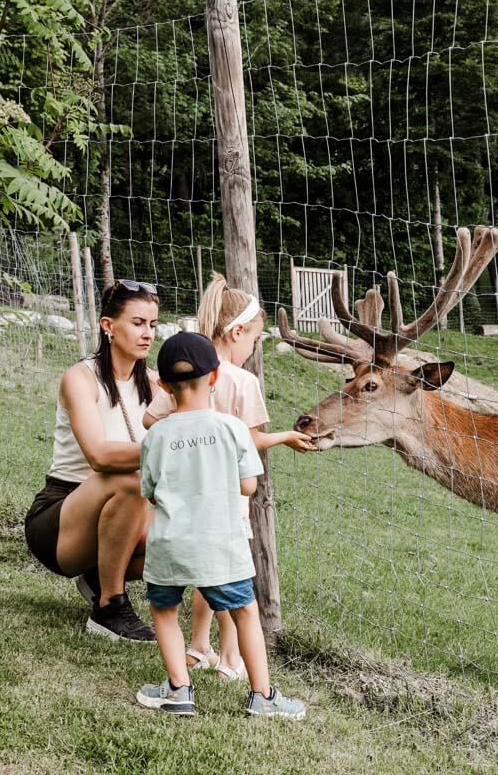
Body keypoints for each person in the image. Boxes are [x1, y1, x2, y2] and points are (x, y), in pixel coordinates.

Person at [143, 275, 313, 679]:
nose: (253, 346)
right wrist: (287, 436)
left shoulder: (171, 403)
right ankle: (232, 660)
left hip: (178, 508)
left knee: (190, 584)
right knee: (230, 585)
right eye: (254, 338)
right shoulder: (242, 382)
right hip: (224, 502)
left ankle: (197, 649)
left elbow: (151, 422)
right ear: (238, 331)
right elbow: (251, 445)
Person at [23, 279, 160, 642]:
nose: (147, 334)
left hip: (121, 511)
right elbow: (99, 456)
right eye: (137, 323)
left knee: (183, 534)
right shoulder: (81, 378)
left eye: (152, 324)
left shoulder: (155, 385)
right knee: (129, 481)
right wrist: (168, 450)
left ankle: (100, 576)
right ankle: (109, 606)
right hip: (61, 516)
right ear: (108, 326)